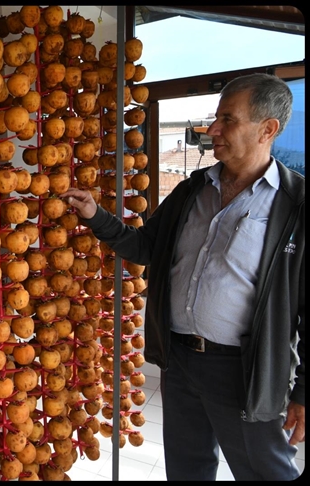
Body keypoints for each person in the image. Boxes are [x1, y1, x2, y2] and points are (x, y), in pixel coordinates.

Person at [62, 72, 304, 481]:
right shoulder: (194, 189)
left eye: (228, 119)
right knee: (187, 468)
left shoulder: (295, 205)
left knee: (265, 471)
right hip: (180, 360)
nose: (213, 130)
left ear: (268, 129)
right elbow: (144, 248)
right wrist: (95, 217)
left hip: (244, 370)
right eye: (215, 118)